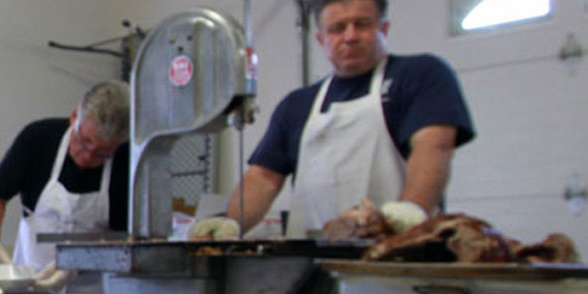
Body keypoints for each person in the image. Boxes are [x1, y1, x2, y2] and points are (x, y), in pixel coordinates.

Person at [193, 0, 475, 240]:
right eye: (337, 28)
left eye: (362, 24)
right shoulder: (297, 105)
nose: (350, 36)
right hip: (310, 267)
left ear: (383, 28)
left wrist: (411, 210)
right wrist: (231, 222)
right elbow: (263, 178)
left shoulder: (420, 75)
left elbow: (433, 147)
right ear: (321, 39)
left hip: (396, 255)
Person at [0, 80, 131, 293]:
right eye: (83, 141)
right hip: (30, 286)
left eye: (102, 153)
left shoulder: (128, 162)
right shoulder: (37, 140)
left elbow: (129, 241)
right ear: (74, 117)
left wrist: (78, 263)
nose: (87, 157)